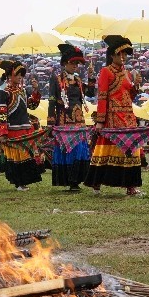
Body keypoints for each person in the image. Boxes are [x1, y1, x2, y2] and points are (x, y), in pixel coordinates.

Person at [84, 35, 145, 197]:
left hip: (129, 117)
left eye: (125, 54)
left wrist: (136, 85)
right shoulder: (105, 71)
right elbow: (102, 96)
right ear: (112, 55)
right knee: (105, 151)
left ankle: (130, 186)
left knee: (131, 150)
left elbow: (129, 96)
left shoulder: (126, 73)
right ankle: (96, 183)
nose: (123, 57)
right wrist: (100, 121)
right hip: (112, 118)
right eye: (120, 54)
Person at [49, 43, 90, 191]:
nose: (75, 66)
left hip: (79, 121)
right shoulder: (56, 79)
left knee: (79, 149)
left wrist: (91, 78)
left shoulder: (78, 80)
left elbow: (88, 95)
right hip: (63, 120)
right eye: (73, 63)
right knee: (67, 150)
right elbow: (52, 101)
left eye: (77, 63)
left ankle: (77, 181)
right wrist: (50, 121)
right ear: (65, 62)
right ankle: (70, 181)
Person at [0, 59, 42, 190]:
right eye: (17, 75)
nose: (20, 77)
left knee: (27, 156)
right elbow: (2, 114)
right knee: (17, 158)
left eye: (21, 75)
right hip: (13, 130)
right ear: (9, 75)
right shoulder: (4, 93)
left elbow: (32, 106)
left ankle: (24, 182)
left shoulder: (22, 91)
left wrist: (35, 90)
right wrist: (3, 132)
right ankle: (19, 183)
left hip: (25, 129)